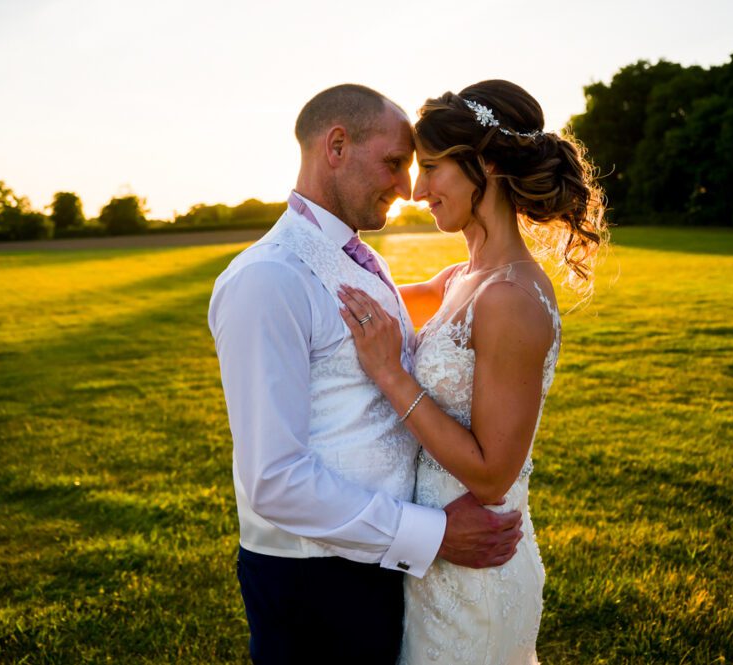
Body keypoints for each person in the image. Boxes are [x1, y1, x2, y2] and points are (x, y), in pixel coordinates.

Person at [207, 83, 524, 665]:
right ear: (336, 146)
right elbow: (274, 480)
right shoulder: (266, 280)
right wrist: (431, 534)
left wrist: (474, 279)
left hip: (375, 568)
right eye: (395, 162)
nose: (406, 188)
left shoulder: (356, 255)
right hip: (314, 585)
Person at [337, 79, 607, 664]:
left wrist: (393, 376)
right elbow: (355, 303)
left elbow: (491, 475)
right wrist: (289, 263)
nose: (417, 189)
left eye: (432, 167)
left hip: (478, 571)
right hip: (436, 556)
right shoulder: (461, 279)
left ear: (484, 164)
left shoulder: (510, 296)